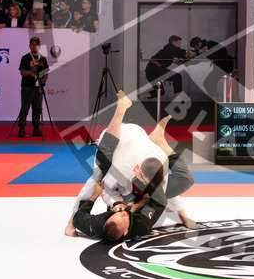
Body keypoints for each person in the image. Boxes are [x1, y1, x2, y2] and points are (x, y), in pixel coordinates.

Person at [66, 94, 196, 241]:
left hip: (140, 136)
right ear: (138, 170)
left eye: (118, 214)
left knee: (183, 180)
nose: (122, 213)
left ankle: (158, 139)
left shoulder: (159, 163)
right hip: (120, 139)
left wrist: (122, 203)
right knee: (100, 171)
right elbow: (105, 188)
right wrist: (115, 202)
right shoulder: (121, 167)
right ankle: (120, 110)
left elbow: (161, 194)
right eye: (123, 216)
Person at [15, 36, 49, 138]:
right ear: (29, 46)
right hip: (27, 87)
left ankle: (36, 129)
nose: (34, 46)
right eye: (32, 44)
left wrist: (44, 78)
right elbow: (22, 72)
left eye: (36, 44)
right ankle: (21, 129)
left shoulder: (42, 58)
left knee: (37, 109)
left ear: (39, 46)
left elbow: (46, 72)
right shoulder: (25, 58)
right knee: (25, 108)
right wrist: (31, 71)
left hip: (39, 87)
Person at [145, 35, 190, 99]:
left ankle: (141, 96)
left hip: (150, 72)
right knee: (177, 77)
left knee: (160, 91)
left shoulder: (168, 51)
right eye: (179, 43)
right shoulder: (170, 48)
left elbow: (178, 60)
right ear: (174, 42)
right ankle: (178, 98)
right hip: (155, 70)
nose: (180, 45)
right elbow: (180, 53)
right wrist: (190, 54)